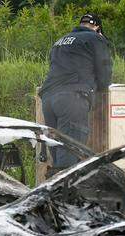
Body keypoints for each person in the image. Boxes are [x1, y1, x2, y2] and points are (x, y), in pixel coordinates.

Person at [39, 13, 113, 171]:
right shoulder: (96, 38)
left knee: (58, 152)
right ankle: (63, 193)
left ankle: (54, 192)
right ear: (97, 28)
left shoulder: (60, 41)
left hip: (48, 100)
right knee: (69, 155)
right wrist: (101, 90)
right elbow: (104, 71)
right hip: (71, 99)